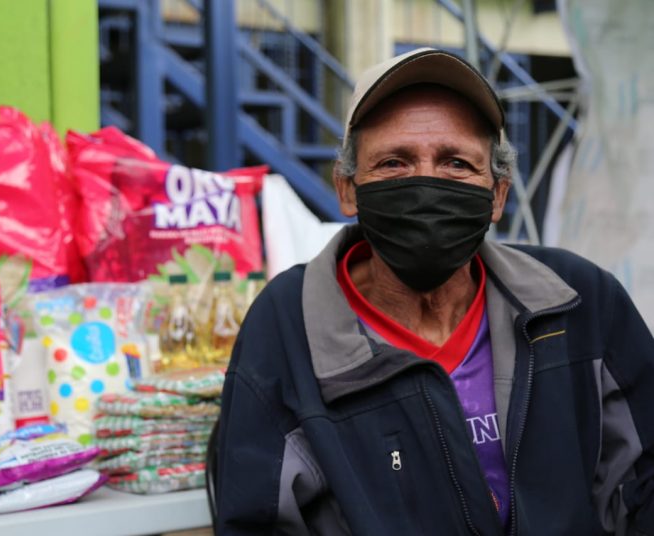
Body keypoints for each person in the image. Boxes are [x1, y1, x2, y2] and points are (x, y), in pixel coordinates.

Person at [215, 47, 654, 535]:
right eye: (394, 163)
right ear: (347, 190)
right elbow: (255, 520)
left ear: (498, 195)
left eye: (456, 163)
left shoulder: (578, 302)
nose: (425, 185)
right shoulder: (287, 328)